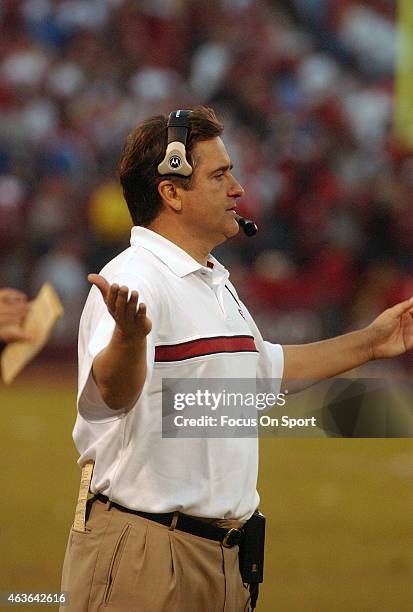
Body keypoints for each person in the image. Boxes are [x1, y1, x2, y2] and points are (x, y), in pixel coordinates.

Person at [60, 106, 413, 612]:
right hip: (150, 553)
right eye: (220, 174)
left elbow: (266, 370)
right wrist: (131, 339)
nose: (238, 189)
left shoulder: (212, 281)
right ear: (172, 190)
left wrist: (373, 343)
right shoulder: (135, 280)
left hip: (221, 557)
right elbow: (113, 392)